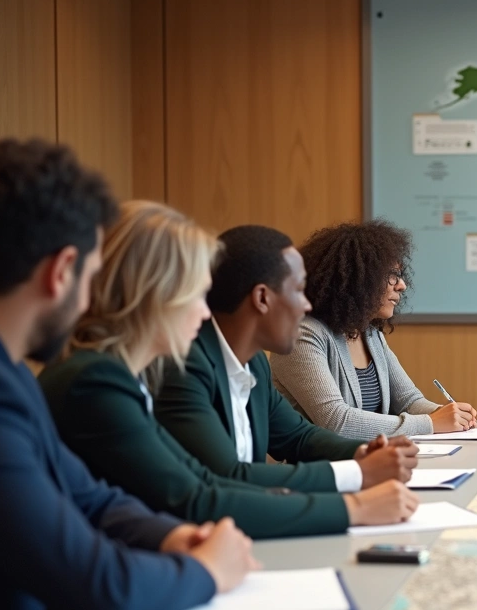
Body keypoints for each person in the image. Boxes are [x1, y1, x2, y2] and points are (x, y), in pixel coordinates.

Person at [0, 139, 256, 610]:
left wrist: (175, 536)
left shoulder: (11, 377)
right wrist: (206, 570)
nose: (92, 300)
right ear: (61, 272)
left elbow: (90, 497)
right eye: (92, 278)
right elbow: (103, 588)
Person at [39, 202, 420, 539]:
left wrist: (364, 456)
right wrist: (356, 500)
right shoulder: (103, 380)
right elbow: (204, 493)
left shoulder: (122, 374)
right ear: (154, 295)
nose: (206, 310)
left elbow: (206, 482)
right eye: (195, 294)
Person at [154, 225, 419, 493]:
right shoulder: (184, 367)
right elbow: (228, 478)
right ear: (262, 298)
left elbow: (298, 437)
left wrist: (366, 451)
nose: (306, 305)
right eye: (298, 290)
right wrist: (356, 482)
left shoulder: (254, 362)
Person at [270, 220, 477, 439]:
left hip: (372, 463)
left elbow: (408, 401)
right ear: (357, 279)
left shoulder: (369, 333)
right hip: (326, 469)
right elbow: (336, 421)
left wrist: (447, 414)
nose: (402, 285)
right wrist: (430, 423)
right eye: (392, 275)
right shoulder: (302, 335)